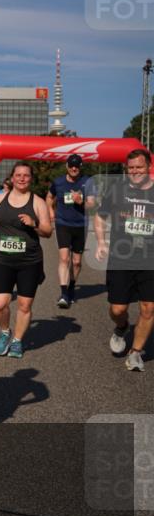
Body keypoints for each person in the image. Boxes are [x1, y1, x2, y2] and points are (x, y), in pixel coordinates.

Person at [93, 148, 154, 372]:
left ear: (148, 166)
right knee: (118, 309)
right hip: (122, 257)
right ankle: (121, 328)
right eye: (131, 168)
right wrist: (101, 242)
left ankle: (136, 352)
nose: (135, 171)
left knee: (148, 308)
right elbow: (100, 216)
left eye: (139, 167)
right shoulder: (117, 190)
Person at [0, 162, 53, 359]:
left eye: (26, 175)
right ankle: (5, 331)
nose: (22, 178)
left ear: (31, 179)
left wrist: (34, 224)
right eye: (18, 175)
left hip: (29, 261)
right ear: (12, 178)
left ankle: (17, 340)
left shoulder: (38, 202)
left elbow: (48, 231)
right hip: (1, 259)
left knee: (24, 305)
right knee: (0, 303)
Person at [46, 154, 93, 308]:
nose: (74, 168)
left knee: (77, 262)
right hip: (63, 224)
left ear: (80, 166)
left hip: (80, 225)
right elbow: (49, 197)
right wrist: (51, 211)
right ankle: (64, 293)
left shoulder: (87, 182)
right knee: (64, 259)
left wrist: (81, 202)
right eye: (71, 165)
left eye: (77, 166)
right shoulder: (58, 182)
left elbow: (92, 205)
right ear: (67, 166)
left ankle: (72, 286)